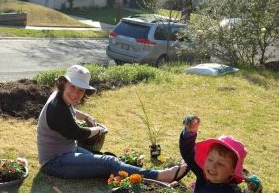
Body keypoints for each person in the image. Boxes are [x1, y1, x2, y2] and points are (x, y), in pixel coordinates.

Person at [37, 64, 188, 183]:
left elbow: (70, 112)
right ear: (63, 83)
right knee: (108, 162)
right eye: (73, 87)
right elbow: (79, 133)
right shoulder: (56, 108)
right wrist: (99, 129)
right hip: (55, 163)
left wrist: (87, 116)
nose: (76, 94)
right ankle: (160, 176)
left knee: (107, 162)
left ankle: (148, 181)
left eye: (81, 90)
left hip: (67, 152)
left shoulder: (59, 97)